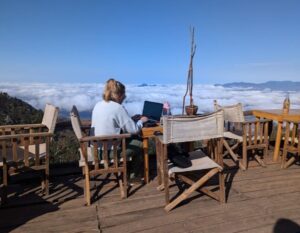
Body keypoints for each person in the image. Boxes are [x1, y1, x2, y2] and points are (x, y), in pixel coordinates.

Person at [91, 78, 148, 179]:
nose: (124, 98)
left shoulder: (98, 105)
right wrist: (141, 121)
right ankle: (133, 176)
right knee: (140, 143)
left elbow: (111, 122)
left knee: (130, 141)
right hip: (110, 152)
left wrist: (130, 119)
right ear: (119, 95)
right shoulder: (118, 107)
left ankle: (128, 172)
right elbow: (134, 130)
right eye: (124, 95)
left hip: (96, 151)